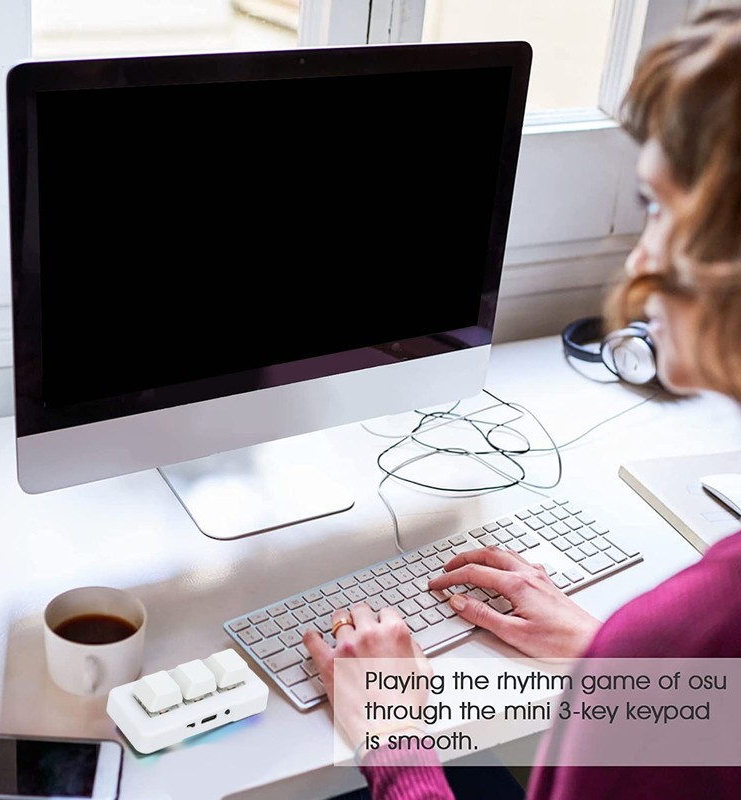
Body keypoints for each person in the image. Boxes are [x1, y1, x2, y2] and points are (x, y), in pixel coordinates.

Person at [303, 6, 741, 799]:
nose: (639, 259)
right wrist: (605, 652)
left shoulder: (696, 627)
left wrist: (393, 736)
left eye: (660, 209)